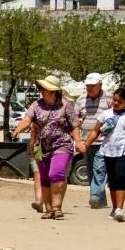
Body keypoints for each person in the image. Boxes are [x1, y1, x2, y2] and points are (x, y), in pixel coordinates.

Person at [13, 75, 77, 219]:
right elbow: (27, 119)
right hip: (41, 147)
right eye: (41, 88)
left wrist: (78, 141)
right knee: (44, 177)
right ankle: (49, 210)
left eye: (44, 88)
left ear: (53, 91)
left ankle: (57, 207)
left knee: (56, 173)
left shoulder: (65, 105)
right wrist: (19, 128)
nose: (41, 90)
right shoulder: (36, 105)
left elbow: (74, 125)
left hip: (62, 145)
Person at [94, 87, 125, 222]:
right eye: (114, 100)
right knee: (113, 180)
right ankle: (115, 208)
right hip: (108, 150)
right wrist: (86, 144)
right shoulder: (106, 114)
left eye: (119, 101)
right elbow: (96, 131)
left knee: (121, 177)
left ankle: (120, 209)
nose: (116, 103)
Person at [75, 72, 108, 210]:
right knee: (91, 171)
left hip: (104, 141)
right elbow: (75, 121)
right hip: (85, 141)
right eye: (88, 86)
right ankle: (101, 200)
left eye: (93, 86)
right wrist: (77, 140)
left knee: (99, 169)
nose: (90, 88)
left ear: (100, 85)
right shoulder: (80, 100)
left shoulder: (110, 98)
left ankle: (94, 196)